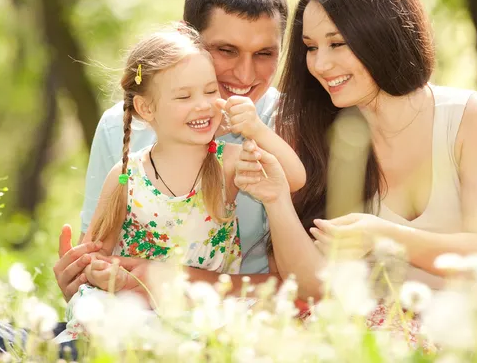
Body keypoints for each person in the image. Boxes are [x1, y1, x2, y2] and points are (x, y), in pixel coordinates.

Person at [234, 0, 477, 299]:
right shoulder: (318, 135)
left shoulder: (469, 117)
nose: (320, 64)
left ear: (381, 37)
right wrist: (276, 200)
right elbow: (311, 287)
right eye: (311, 47)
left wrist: (387, 236)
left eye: (337, 44)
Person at [54, 0, 289, 303]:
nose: (245, 74)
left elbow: (304, 286)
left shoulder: (283, 125)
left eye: (265, 54)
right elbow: (100, 257)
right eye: (226, 50)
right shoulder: (121, 128)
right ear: (185, 37)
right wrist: (80, 276)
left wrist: (178, 280)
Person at [58, 24, 304, 340]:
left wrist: (257, 129)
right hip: (142, 308)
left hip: (207, 307)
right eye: (185, 96)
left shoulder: (226, 162)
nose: (203, 104)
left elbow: (294, 178)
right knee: (100, 312)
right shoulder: (126, 176)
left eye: (211, 91)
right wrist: (99, 270)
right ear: (147, 108)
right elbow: (96, 251)